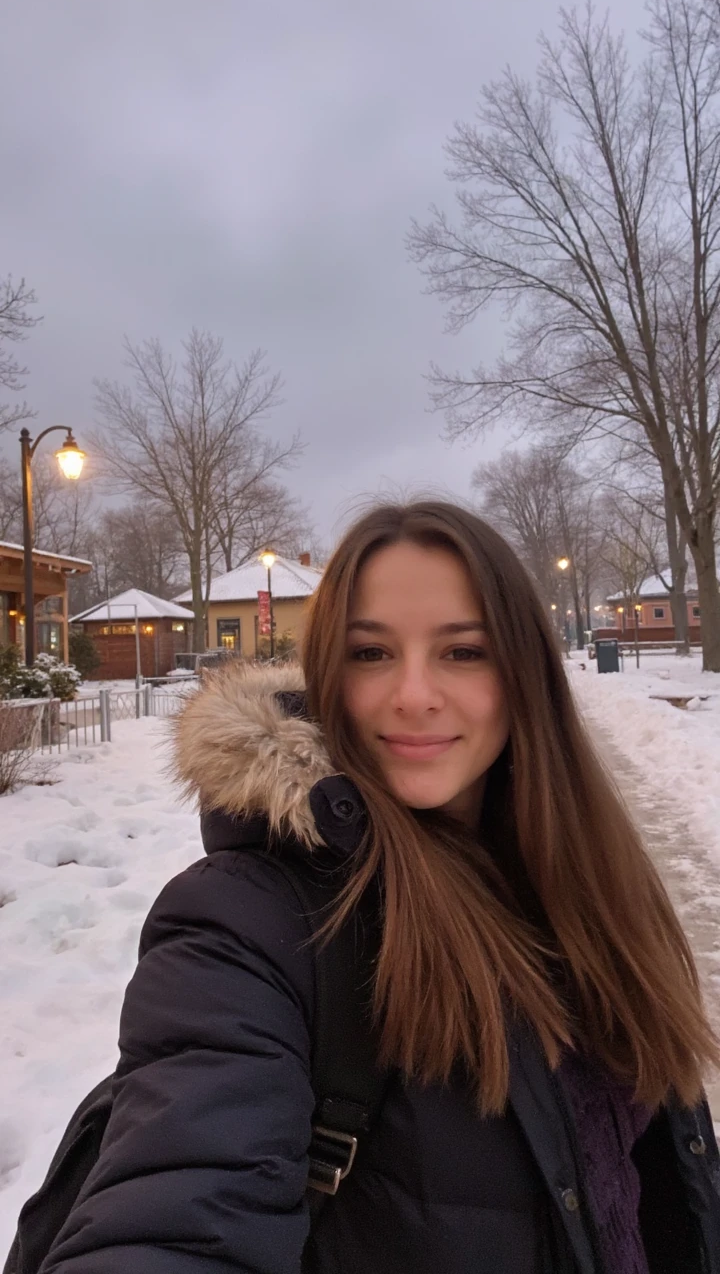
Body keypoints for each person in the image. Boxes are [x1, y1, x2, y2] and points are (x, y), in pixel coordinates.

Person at [38, 501, 720, 1274]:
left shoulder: (587, 877)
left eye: (464, 652)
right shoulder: (246, 925)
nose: (414, 695)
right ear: (328, 672)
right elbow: (176, 1211)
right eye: (370, 655)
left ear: (524, 673)